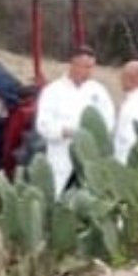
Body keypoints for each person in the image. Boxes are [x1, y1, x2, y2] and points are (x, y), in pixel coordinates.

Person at [35, 45, 115, 197]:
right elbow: (43, 125)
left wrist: (92, 138)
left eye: (91, 67)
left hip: (89, 158)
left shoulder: (99, 91)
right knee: (57, 195)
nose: (89, 71)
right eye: (85, 67)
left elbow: (108, 120)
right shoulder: (53, 91)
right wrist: (66, 132)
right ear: (73, 64)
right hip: (61, 155)